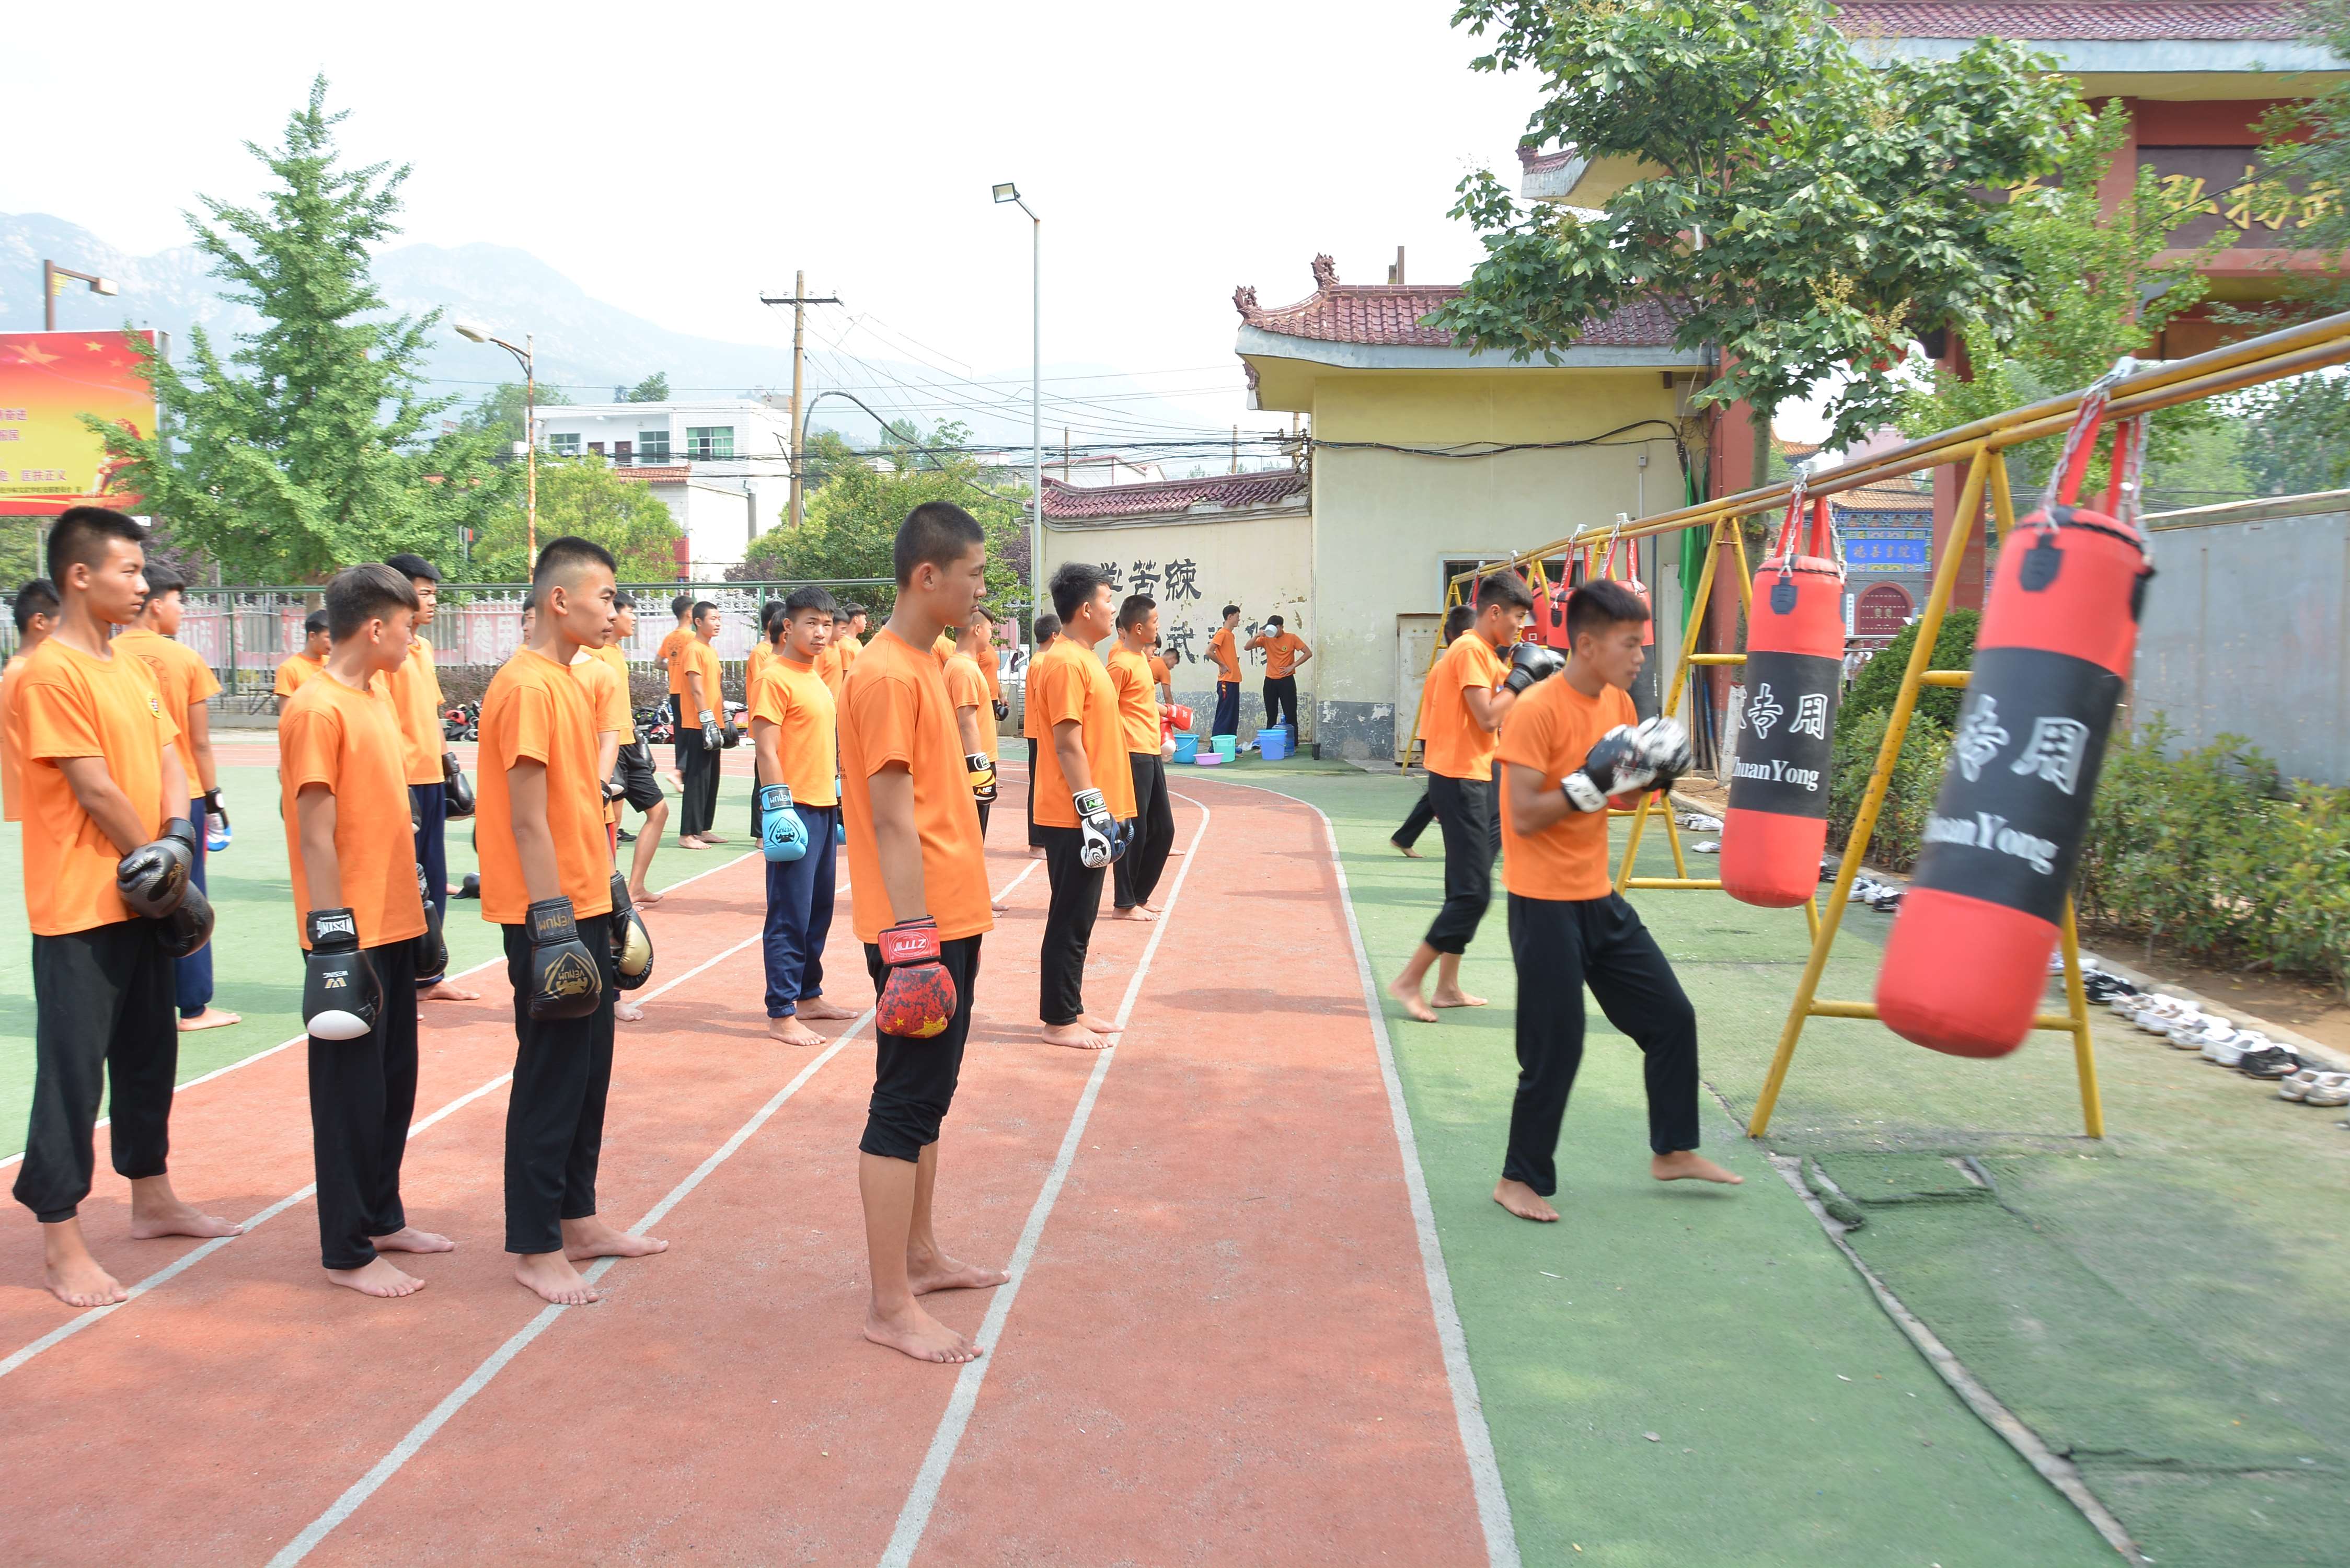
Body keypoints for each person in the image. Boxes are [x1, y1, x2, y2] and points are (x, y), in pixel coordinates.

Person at [14, 506, 241, 1307]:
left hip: (147, 899)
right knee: (73, 1074)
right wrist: (156, 863)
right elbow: (93, 786)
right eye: (130, 572)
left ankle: (152, 1198)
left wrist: (177, 841)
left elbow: (169, 755)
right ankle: (60, 1238)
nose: (144, 587)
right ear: (81, 576)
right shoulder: (51, 672)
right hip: (81, 905)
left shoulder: (133, 667)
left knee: (150, 1055)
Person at [1492, 579, 1736, 1220]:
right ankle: (1517, 1179)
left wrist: (1649, 780)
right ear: (1586, 643)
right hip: (1541, 901)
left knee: (1670, 1017)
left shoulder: (1618, 704)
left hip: (1596, 896)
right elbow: (1521, 816)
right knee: (1557, 1042)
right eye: (1629, 644)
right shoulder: (1535, 709)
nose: (1637, 656)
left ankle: (1674, 1149)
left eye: (1641, 643)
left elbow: (1615, 798)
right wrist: (1593, 780)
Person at [837, 501, 1007, 1363]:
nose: (982, 588)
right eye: (973, 573)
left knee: (928, 1100)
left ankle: (921, 1254)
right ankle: (888, 1305)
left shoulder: (926, 661)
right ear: (927, 576)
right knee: (903, 1103)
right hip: (920, 925)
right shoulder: (888, 675)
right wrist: (912, 948)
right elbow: (892, 820)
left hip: (949, 915)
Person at [477, 535, 664, 1306]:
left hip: (587, 898)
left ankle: (578, 1218)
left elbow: (576, 805)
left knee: (588, 1073)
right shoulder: (525, 686)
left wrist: (611, 895)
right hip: (546, 912)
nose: (614, 611)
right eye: (607, 597)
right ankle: (535, 1242)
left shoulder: (568, 681)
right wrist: (554, 925)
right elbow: (527, 820)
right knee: (551, 1077)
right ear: (561, 600)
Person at [281, 563, 457, 1296]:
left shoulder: (377, 694)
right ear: (377, 627)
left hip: (394, 917)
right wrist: (333, 941)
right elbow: (314, 831)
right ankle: (346, 1249)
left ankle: (383, 1215)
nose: (417, 636)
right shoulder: (316, 708)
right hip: (347, 932)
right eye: (411, 625)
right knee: (348, 1095)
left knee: (391, 1083)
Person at [1387, 572, 1560, 1024]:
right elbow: (1487, 717)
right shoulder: (1469, 650)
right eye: (1519, 618)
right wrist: (1524, 677)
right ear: (1495, 612)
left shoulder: (1485, 653)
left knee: (1470, 880)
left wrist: (1546, 675)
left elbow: (1514, 703)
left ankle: (1446, 987)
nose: (1522, 629)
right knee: (1473, 894)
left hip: (1480, 776)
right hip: (1461, 779)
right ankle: (1411, 980)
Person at [115, 561, 238, 1033]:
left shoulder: (108, 655)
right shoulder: (185, 659)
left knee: (133, 895)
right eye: (180, 600)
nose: (182, 610)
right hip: (178, 796)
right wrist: (212, 798)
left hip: (128, 794)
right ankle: (193, 1006)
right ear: (157, 602)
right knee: (185, 896)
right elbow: (199, 741)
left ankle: (140, 1001)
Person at [1027, 562, 1136, 1051]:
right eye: (1109, 600)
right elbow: (1067, 741)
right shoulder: (1066, 662)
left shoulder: (1087, 657)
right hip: (1075, 815)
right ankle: (1057, 1020)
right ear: (1087, 608)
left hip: (1094, 810)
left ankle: (1071, 1007)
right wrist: (1091, 807)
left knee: (1081, 916)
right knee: (1070, 916)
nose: (1114, 608)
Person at [753, 586, 858, 1046]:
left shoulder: (815, 677)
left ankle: (809, 995)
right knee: (788, 914)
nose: (820, 632)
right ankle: (781, 1011)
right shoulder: (774, 678)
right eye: (811, 623)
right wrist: (778, 808)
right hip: (792, 809)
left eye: (826, 623)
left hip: (822, 806)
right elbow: (766, 747)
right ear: (788, 628)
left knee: (818, 910)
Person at [385, 552, 478, 1005]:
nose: (432, 602)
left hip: (429, 780)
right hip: (399, 785)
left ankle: (429, 976)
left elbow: (433, 716)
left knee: (435, 877)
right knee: (405, 885)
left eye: (434, 594)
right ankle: (398, 980)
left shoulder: (421, 651)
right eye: (424, 593)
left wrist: (451, 769)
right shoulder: (387, 653)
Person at [569, 609, 642, 1023]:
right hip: (557, 818)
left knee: (605, 897)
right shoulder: (529, 678)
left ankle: (611, 993)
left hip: (595, 802)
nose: (614, 615)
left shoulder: (602, 668)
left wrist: (596, 787)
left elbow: (608, 736)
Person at [596, 591, 670, 905]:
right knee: (607, 823)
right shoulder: (591, 653)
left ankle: (635, 886)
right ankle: (606, 892)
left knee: (659, 811)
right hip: (605, 746)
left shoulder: (616, 653)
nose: (634, 618)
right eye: (631, 611)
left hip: (628, 744)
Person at [1105, 594, 1173, 920]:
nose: (1158, 627)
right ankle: (1125, 902)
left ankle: (1140, 895)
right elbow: (1104, 710)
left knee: (1164, 829)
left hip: (1150, 750)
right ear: (1137, 627)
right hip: (1132, 752)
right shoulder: (1119, 664)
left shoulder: (1141, 662)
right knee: (1136, 829)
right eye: (1155, 623)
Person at [1393, 604, 1478, 858]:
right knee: (1449, 794)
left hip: (1438, 736)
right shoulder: (1454, 664)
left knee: (1441, 794)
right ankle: (1459, 846)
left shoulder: (1453, 662)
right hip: (1440, 738)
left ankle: (1405, 837)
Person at [3, 578, 61, 825]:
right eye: (65, 621)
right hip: (48, 808)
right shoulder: (33, 675)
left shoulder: (15, 672)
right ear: (40, 622)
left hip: (33, 806)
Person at [675, 599, 729, 849]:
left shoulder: (710, 649)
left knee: (711, 779)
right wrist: (706, 718)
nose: (717, 623)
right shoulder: (693, 649)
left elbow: (713, 687)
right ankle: (687, 834)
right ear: (698, 621)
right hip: (698, 725)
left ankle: (703, 828)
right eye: (713, 619)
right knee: (697, 780)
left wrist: (723, 716)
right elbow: (697, 689)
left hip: (714, 722)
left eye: (719, 619)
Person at [1022, 612, 1059, 859]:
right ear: (1055, 636)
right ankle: (1036, 843)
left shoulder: (1043, 661)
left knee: (1045, 785)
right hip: (1039, 733)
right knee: (1038, 786)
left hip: (1041, 732)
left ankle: (1044, 838)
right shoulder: (1041, 663)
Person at [1245, 614, 1312, 741]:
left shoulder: (1292, 638)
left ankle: (1293, 742)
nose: (1274, 631)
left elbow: (1308, 653)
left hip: (1287, 681)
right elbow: (1247, 647)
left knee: (1290, 713)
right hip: (1270, 680)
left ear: (1281, 627)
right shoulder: (1266, 639)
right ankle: (1270, 742)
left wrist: (1293, 666)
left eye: (1277, 628)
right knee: (1271, 714)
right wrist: (1256, 636)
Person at [656, 593, 695, 790]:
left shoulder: (670, 638)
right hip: (689, 692)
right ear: (690, 613)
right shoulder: (692, 638)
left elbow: (658, 663)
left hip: (675, 692)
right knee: (693, 734)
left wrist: (674, 667)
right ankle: (679, 771)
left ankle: (680, 775)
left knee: (680, 735)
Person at [274, 611, 331, 712]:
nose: (333, 643)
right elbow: (286, 714)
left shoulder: (332, 665)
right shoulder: (289, 669)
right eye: (329, 637)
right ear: (312, 636)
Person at [1208, 604, 1242, 740]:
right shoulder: (1222, 633)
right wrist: (1222, 664)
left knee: (1233, 717)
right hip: (1226, 681)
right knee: (1224, 715)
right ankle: (1216, 746)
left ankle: (1230, 746)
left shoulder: (1230, 635)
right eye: (1237, 617)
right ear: (1230, 617)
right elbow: (1209, 651)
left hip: (1234, 680)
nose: (1239, 620)